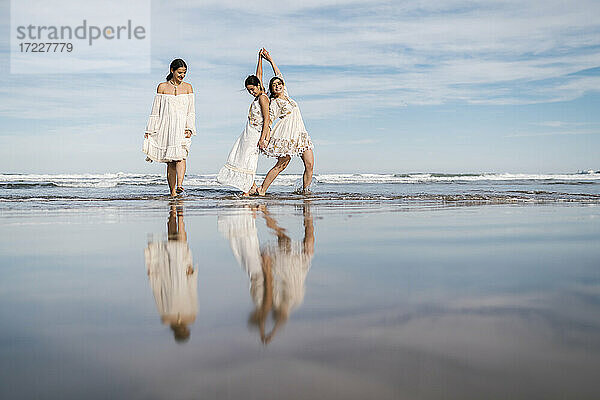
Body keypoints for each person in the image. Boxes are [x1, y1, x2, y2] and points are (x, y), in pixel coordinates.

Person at [256, 49, 315, 195]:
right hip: (286, 136)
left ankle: (305, 191)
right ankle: (262, 189)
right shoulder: (274, 103)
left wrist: (270, 59)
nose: (277, 85)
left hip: (300, 135)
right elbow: (268, 121)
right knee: (281, 165)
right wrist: (264, 138)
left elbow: (278, 74)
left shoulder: (287, 96)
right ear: (272, 90)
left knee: (310, 164)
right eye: (274, 85)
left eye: (279, 83)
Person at [217, 51, 271, 196]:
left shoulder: (263, 98)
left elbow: (267, 120)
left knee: (249, 159)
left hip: (255, 133)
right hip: (248, 132)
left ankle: (248, 189)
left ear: (258, 86)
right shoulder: (259, 94)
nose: (251, 93)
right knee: (241, 156)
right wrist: (260, 59)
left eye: (252, 89)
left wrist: (263, 138)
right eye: (249, 91)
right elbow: (258, 75)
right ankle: (252, 186)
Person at [145, 202, 197, 343]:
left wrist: (154, 276)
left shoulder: (169, 317)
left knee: (176, 244)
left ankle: (176, 214)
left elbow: (159, 295)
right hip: (177, 277)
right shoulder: (186, 316)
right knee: (177, 245)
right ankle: (177, 215)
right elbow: (192, 294)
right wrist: (192, 276)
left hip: (172, 277)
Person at [143, 59, 196, 197]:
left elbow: (191, 111)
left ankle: (180, 185)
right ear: (172, 70)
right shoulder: (162, 87)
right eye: (180, 72)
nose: (182, 75)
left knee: (181, 156)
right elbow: (155, 111)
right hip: (166, 126)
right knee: (170, 162)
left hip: (182, 126)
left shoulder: (188, 87)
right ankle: (172, 193)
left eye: (184, 73)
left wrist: (190, 127)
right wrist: (150, 130)